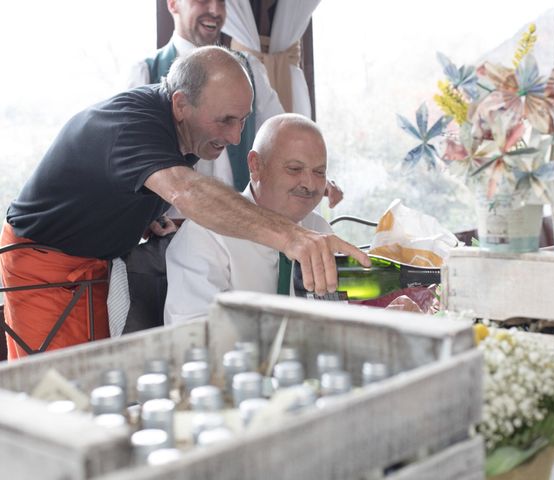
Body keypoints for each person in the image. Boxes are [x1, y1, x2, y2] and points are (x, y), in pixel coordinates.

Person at [0, 46, 369, 360]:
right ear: (180, 104)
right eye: (225, 120)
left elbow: (118, 186)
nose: (236, 137)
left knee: (96, 380)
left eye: (242, 121)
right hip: (43, 263)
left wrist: (142, 217)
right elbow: (187, 191)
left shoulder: (187, 129)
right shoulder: (132, 124)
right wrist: (293, 237)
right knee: (58, 389)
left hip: (97, 263)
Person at [128, 0, 343, 205]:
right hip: (172, 230)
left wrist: (312, 176)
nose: (215, 10)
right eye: (203, 0)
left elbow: (281, 134)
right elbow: (135, 161)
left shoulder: (250, 68)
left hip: (243, 227)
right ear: (173, 4)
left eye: (222, 1)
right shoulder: (145, 73)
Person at [165, 113, 331, 325]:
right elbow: (193, 333)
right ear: (256, 166)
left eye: (319, 172)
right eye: (294, 169)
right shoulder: (204, 233)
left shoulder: (320, 228)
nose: (309, 183)